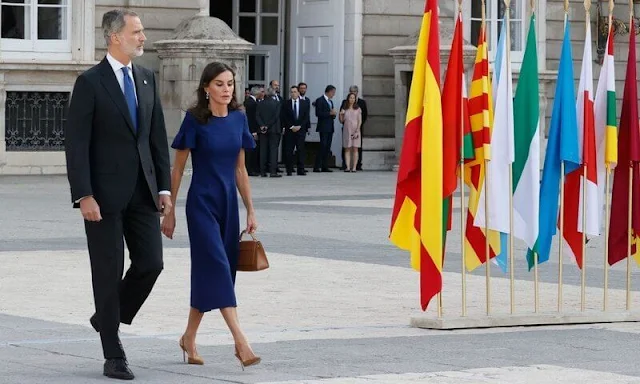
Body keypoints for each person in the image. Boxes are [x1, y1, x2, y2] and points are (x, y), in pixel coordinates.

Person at [64, 9, 171, 380]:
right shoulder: (90, 82)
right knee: (107, 273)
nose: (143, 37)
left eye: (142, 31)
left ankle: (104, 316)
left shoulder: (146, 79)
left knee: (151, 264)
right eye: (137, 32)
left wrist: (163, 187)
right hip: (103, 198)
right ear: (114, 37)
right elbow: (76, 144)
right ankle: (113, 351)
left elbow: (156, 137)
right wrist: (84, 195)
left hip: (143, 193)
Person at [160, 62, 261, 370]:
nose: (226, 89)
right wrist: (170, 212)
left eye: (230, 83)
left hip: (228, 205)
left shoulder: (238, 119)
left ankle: (188, 338)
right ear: (206, 88)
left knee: (219, 272)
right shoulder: (194, 121)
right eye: (219, 83)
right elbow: (177, 169)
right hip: (201, 204)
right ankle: (240, 341)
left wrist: (251, 210)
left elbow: (240, 169)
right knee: (216, 266)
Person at [281, 85, 310, 175]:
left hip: (301, 130)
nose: (293, 93)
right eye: (292, 92)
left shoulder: (304, 103)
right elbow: (284, 117)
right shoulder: (286, 103)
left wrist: (300, 126)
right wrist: (291, 126)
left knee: (300, 149)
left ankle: (300, 169)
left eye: (295, 92)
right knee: (289, 150)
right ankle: (289, 169)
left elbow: (306, 117)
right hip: (290, 130)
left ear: (298, 93)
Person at [256, 87, 282, 177]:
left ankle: (262, 171)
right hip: (274, 129)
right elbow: (276, 117)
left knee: (263, 150)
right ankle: (273, 171)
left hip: (262, 130)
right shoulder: (277, 103)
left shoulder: (260, 103)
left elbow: (257, 115)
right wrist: (267, 126)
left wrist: (262, 126)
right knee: (273, 150)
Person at [313, 85, 337, 172]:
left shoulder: (330, 102)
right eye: (333, 92)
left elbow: (331, 114)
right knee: (322, 146)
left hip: (330, 127)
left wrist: (333, 114)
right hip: (323, 127)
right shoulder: (320, 100)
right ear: (329, 91)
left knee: (327, 147)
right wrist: (329, 113)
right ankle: (317, 166)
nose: (333, 94)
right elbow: (318, 113)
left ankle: (324, 166)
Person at [339, 92, 362, 172]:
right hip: (347, 130)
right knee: (347, 148)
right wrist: (341, 114)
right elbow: (341, 121)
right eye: (350, 98)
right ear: (348, 99)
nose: (352, 99)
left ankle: (354, 167)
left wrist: (357, 130)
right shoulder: (345, 108)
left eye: (353, 98)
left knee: (355, 148)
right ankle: (348, 167)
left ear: (355, 99)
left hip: (356, 130)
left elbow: (360, 121)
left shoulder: (358, 109)